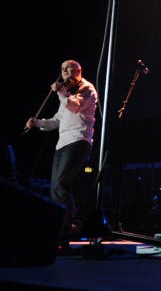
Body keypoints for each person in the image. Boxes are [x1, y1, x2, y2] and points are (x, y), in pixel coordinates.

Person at [25, 60, 97, 239]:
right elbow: (57, 120)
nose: (63, 71)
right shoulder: (67, 93)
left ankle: (66, 227)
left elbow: (75, 107)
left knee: (62, 183)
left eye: (68, 68)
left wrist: (62, 92)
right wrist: (38, 123)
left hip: (79, 140)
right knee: (56, 186)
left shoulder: (87, 88)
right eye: (62, 69)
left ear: (78, 70)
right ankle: (68, 224)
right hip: (63, 143)